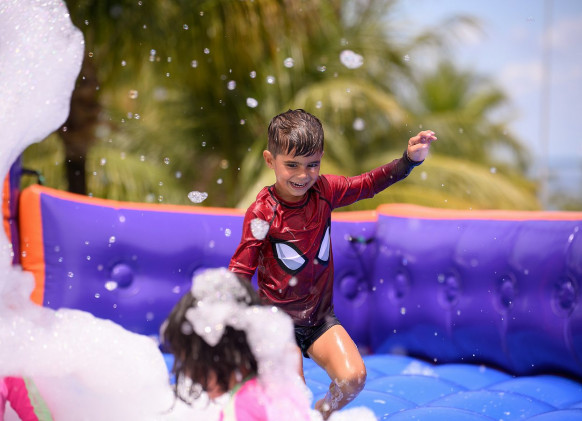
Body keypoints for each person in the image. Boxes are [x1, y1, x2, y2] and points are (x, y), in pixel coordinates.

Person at [228, 109, 437, 419]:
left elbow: (368, 183)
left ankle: (322, 413)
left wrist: (408, 161)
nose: (303, 175)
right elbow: (240, 271)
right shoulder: (263, 212)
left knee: (353, 378)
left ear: (321, 159)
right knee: (294, 398)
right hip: (277, 324)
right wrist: (233, 321)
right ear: (270, 160)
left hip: (319, 319)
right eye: (292, 165)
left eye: (312, 164)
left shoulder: (324, 192)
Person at [160, 268, 311, 421]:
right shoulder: (277, 388)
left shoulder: (243, 407)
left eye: (189, 362)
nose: (188, 375)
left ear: (219, 354)